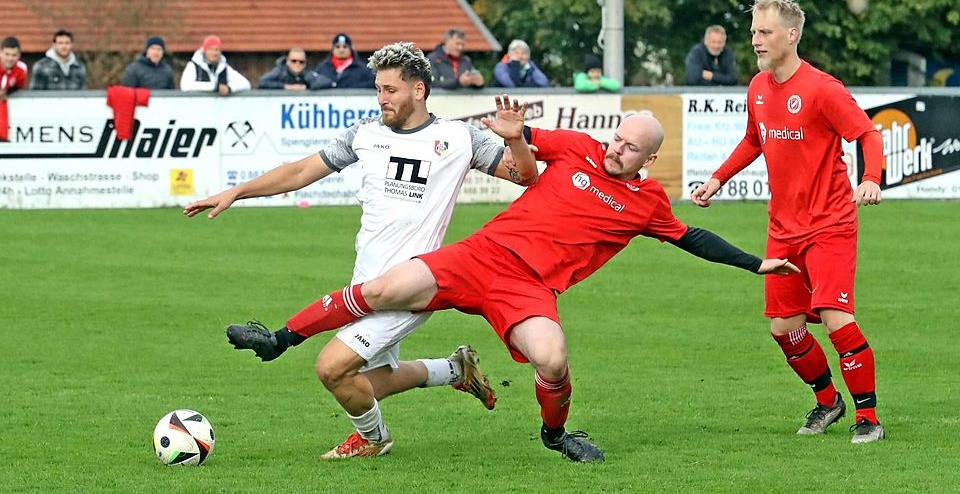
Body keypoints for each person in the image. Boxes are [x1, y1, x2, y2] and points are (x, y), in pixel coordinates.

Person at [226, 111, 801, 463]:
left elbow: (692, 237)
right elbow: (525, 145)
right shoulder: (577, 147)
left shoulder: (648, 203)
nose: (616, 148)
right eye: (617, 138)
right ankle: (279, 338)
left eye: (630, 147)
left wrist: (756, 264)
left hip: (528, 288)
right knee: (382, 288)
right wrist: (515, 134)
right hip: (482, 255)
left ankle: (555, 437)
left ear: (650, 157)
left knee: (552, 359)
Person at [185, 42, 539, 459]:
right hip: (364, 281)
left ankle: (374, 439)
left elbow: (523, 175)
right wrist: (237, 192)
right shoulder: (366, 135)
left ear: (419, 90)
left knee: (332, 367)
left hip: (412, 285)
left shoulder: (458, 137)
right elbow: (301, 171)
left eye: (390, 90)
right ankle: (454, 369)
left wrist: (515, 140)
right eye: (378, 89)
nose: (381, 98)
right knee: (372, 381)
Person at [691, 0, 885, 444]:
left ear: (791, 35)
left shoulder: (823, 89)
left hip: (830, 224)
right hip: (783, 228)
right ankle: (827, 401)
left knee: (837, 319)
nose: (756, 40)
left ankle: (869, 417)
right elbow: (752, 141)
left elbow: (868, 134)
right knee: (784, 328)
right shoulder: (758, 87)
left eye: (765, 32)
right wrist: (717, 179)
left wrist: (871, 178)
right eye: (754, 32)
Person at [180, 35, 251, 95]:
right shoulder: (193, 66)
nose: (214, 53)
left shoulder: (224, 68)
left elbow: (246, 84)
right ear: (204, 51)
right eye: (210, 49)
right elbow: (185, 86)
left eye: (217, 50)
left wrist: (229, 88)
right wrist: (214, 87)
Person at [257, 47, 330, 91]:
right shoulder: (280, 72)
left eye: (301, 62)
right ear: (287, 62)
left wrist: (307, 87)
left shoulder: (307, 75)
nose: (297, 64)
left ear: (305, 64)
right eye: (294, 61)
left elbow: (326, 82)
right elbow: (262, 82)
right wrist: (286, 87)